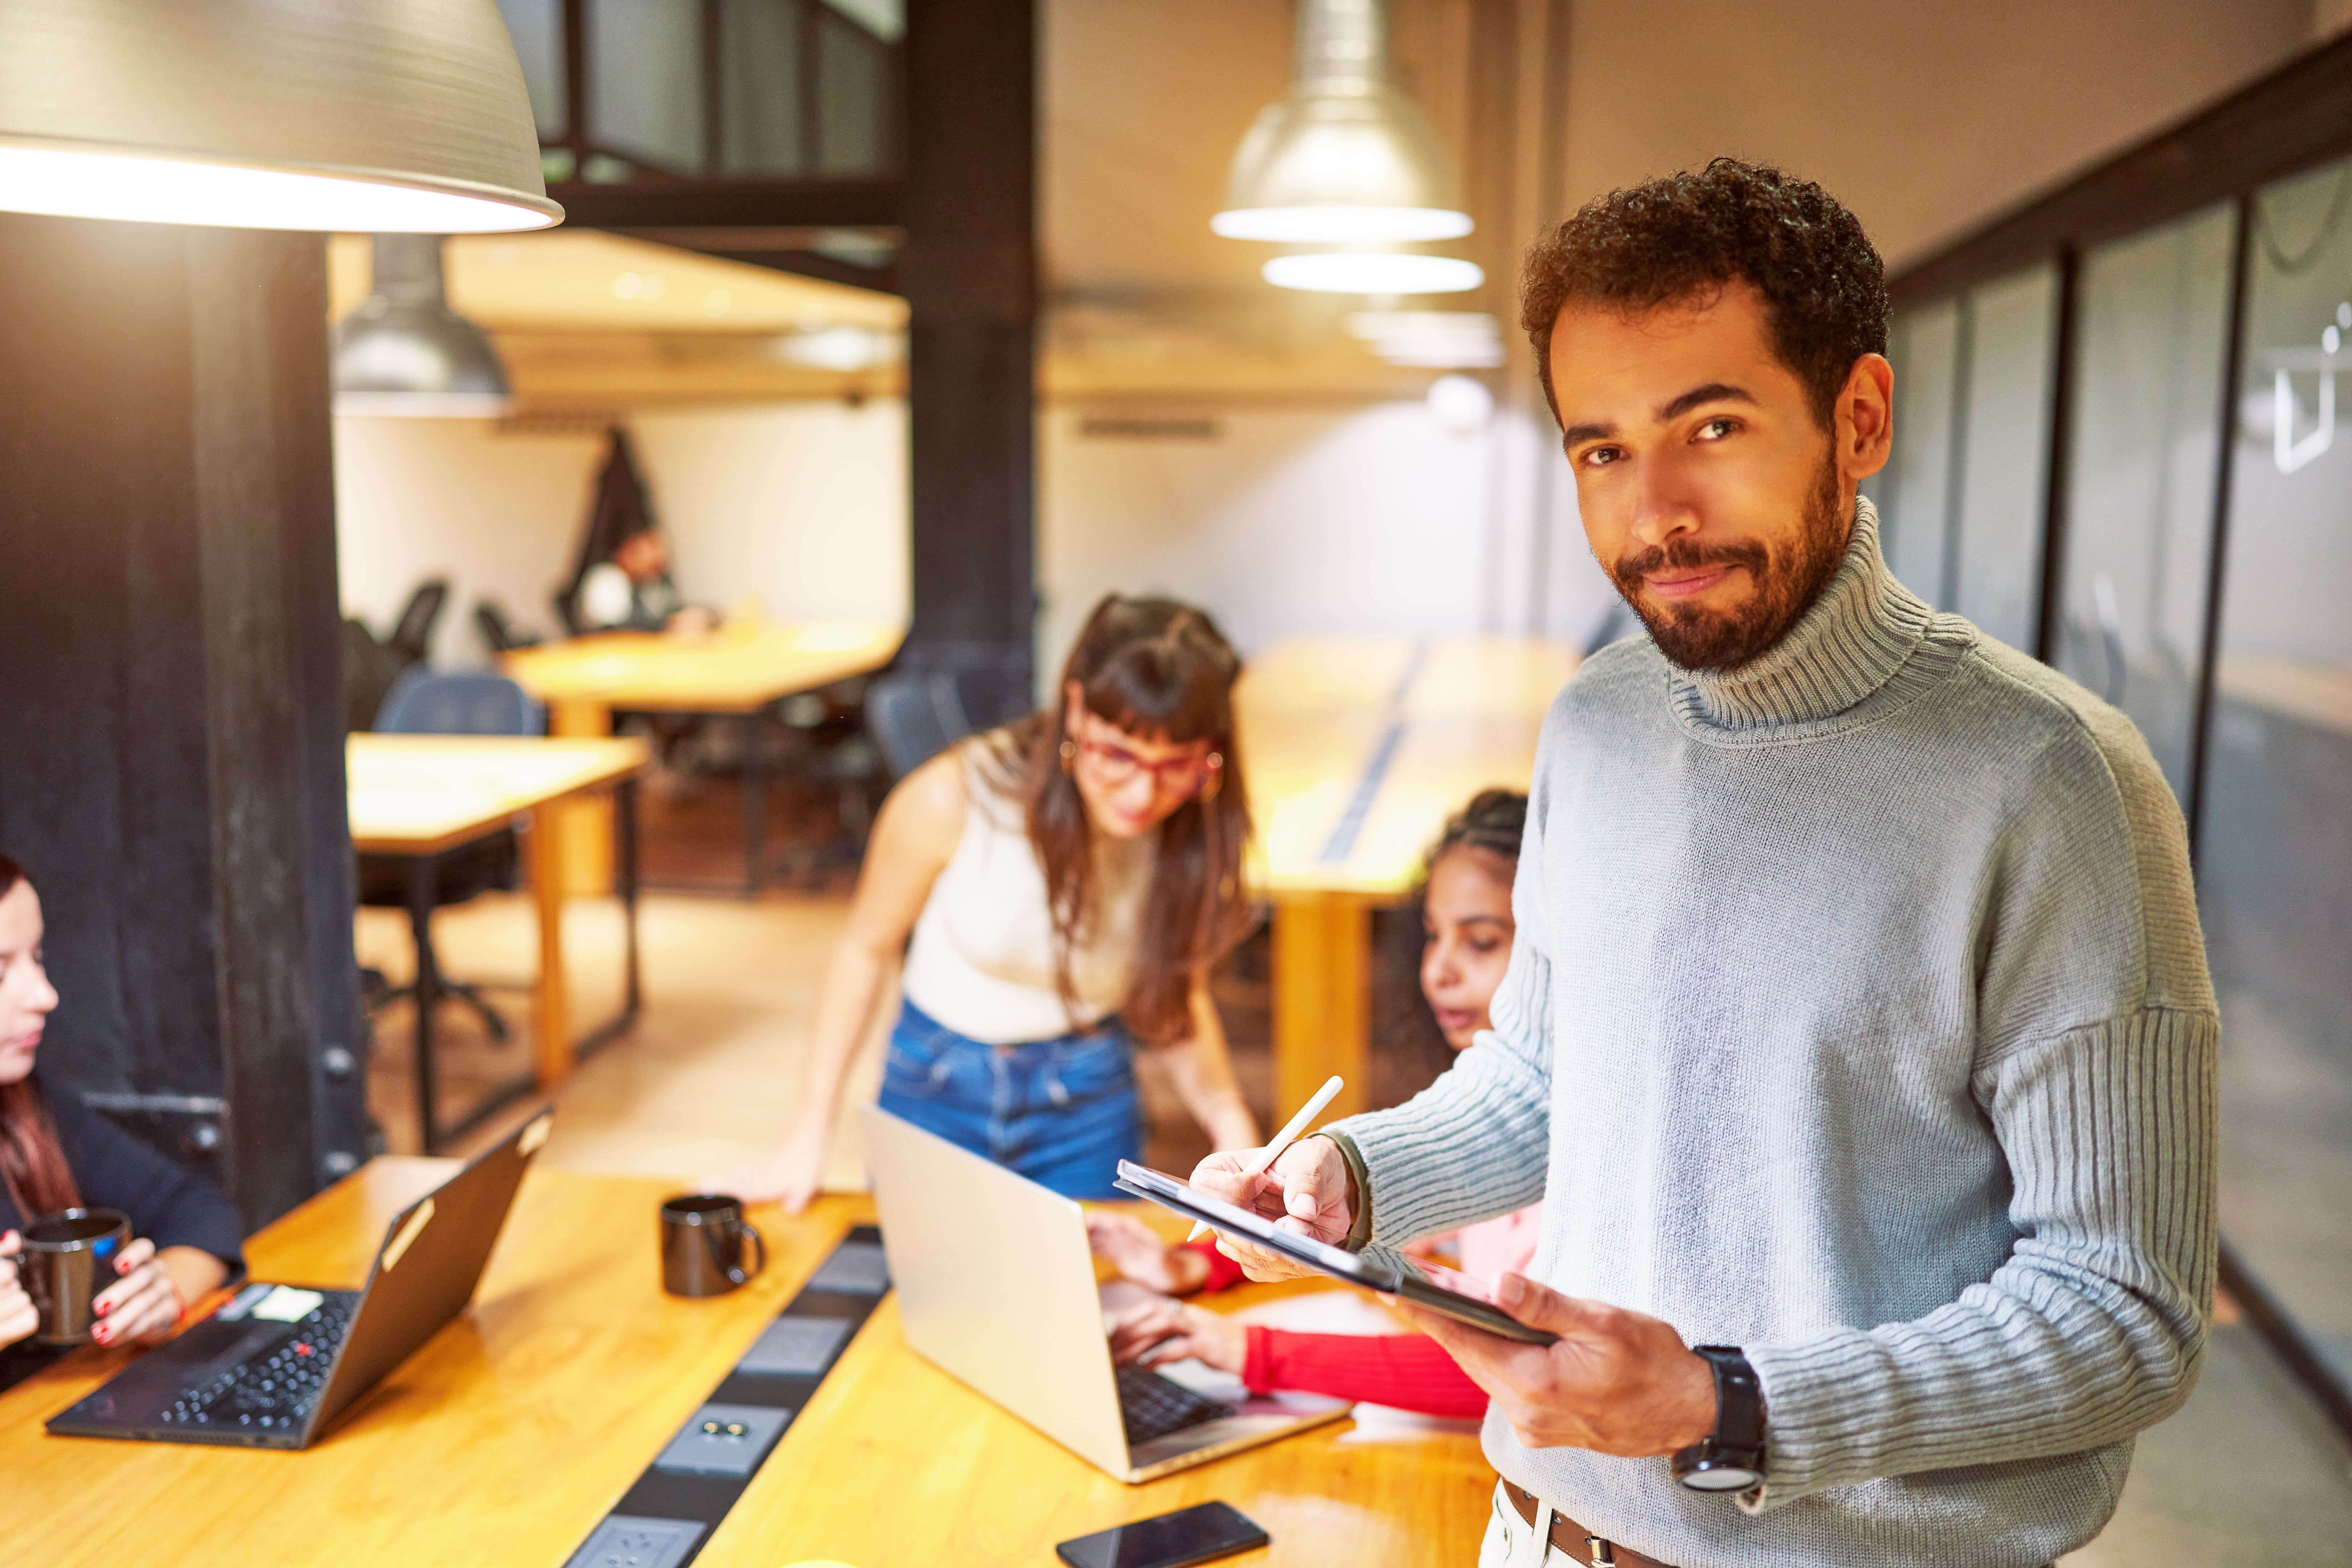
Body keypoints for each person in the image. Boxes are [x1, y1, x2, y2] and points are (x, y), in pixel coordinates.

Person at [1197, 159, 2216, 1568]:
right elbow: (1549, 1078)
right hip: (1542, 1532)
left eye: (1712, 426)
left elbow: (2126, 1315)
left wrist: (1723, 1405)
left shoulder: (2053, 782)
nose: (1653, 511)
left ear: (1859, 421)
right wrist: (1352, 1179)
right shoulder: (1596, 723)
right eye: (1601, 449)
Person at [711, 595, 1261, 1209]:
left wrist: (1230, 1121)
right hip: (939, 1085)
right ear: (1076, 709)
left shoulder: (1190, 823)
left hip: (1085, 1095)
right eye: (1119, 755)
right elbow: (864, 951)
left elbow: (1174, 993)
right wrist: (806, 1140)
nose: (1143, 792)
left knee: (1085, 1298)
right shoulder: (956, 798)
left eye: (1176, 766)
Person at [1100, 789, 1540, 1419]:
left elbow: (1509, 1372)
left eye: (1482, 942)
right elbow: (1402, 1222)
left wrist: (1250, 1351)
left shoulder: (1562, 1142)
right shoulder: (1477, 1113)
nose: (1438, 970)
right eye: (1434, 936)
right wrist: (1199, 1265)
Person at [0, 852, 242, 1389]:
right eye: (0, 972)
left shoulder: (25, 1105)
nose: (45, 995)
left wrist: (160, 1298)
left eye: (38, 958)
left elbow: (199, 1212)